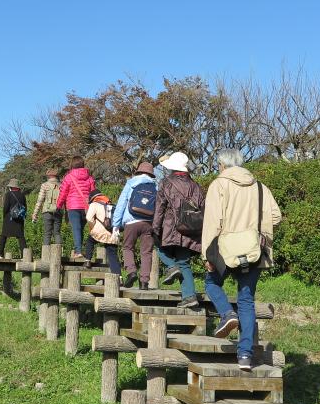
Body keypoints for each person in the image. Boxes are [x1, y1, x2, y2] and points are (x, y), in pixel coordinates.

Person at [201, 148, 282, 371]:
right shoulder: (260, 187)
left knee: (211, 284)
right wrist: (255, 228)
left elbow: (212, 221)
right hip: (253, 249)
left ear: (223, 165)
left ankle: (227, 314)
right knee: (246, 300)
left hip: (225, 249)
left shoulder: (219, 185)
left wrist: (206, 254)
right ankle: (245, 356)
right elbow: (276, 216)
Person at [151, 151, 204, 298]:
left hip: (170, 228)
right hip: (190, 229)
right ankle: (189, 297)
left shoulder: (166, 183)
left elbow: (160, 208)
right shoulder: (196, 185)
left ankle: (171, 266)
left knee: (159, 248)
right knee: (184, 262)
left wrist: (155, 229)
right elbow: (202, 208)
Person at [112, 161, 157, 288]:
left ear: (138, 171)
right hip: (148, 222)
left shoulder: (131, 183)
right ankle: (144, 282)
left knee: (127, 247)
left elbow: (121, 204)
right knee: (146, 252)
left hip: (131, 221)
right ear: (151, 174)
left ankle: (131, 272)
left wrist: (115, 224)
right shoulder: (155, 186)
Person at [56, 156, 96, 261]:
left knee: (76, 229)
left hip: (73, 207)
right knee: (81, 229)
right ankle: (79, 250)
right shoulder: (89, 178)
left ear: (72, 164)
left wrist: (58, 205)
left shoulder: (68, 177)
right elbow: (94, 193)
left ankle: (78, 251)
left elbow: (63, 193)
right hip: (86, 207)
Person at [85, 189, 121, 274]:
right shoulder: (112, 205)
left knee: (90, 241)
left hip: (99, 232)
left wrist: (93, 226)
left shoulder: (95, 204)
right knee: (113, 256)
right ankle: (119, 277)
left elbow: (89, 218)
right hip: (113, 234)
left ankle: (87, 260)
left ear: (93, 198)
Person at [0, 179, 28, 258]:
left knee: (4, 236)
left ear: (11, 186)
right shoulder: (22, 195)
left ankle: (0, 254)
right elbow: (25, 207)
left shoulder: (8, 194)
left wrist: (4, 216)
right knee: (21, 237)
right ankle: (25, 255)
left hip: (9, 218)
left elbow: (6, 207)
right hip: (19, 219)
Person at [31, 169, 62, 249]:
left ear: (49, 176)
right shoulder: (62, 185)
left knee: (47, 233)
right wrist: (67, 216)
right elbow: (65, 200)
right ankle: (58, 255)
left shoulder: (44, 185)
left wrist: (35, 214)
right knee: (57, 233)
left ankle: (46, 256)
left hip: (47, 212)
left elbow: (40, 200)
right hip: (58, 211)